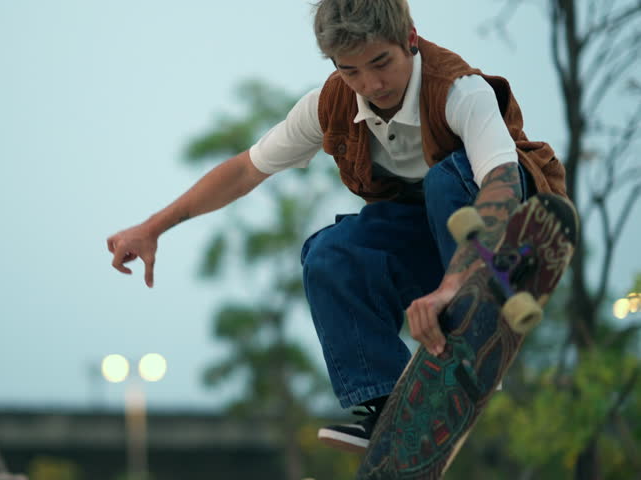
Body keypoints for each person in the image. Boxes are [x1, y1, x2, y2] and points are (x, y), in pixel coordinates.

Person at [107, 0, 566, 453]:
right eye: (351, 71)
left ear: (409, 37)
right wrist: (153, 227)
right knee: (330, 254)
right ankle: (395, 410)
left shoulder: (458, 91)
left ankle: (475, 312)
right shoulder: (330, 105)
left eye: (381, 62)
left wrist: (456, 285)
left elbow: (502, 181)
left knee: (445, 181)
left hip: (512, 234)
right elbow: (245, 171)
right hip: (433, 248)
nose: (371, 83)